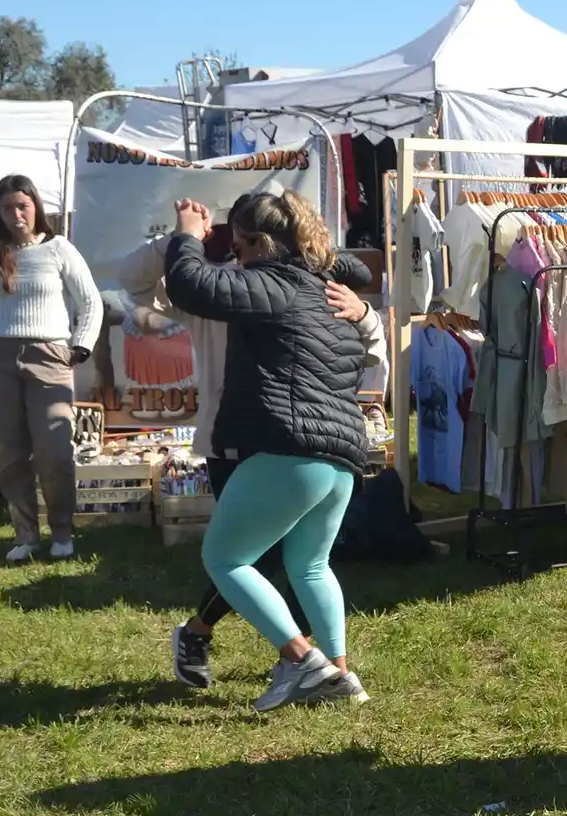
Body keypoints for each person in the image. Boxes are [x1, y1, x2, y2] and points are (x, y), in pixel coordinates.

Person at [115, 193, 386, 690]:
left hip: (277, 442)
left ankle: (302, 661)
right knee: (304, 563)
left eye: (242, 243)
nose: (236, 253)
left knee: (231, 558)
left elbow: (194, 284)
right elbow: (138, 278)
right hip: (331, 447)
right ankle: (338, 675)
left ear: (260, 242)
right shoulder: (306, 283)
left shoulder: (264, 283)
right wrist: (180, 239)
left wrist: (185, 236)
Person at [0, 175, 104, 562]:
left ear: (36, 207)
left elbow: (90, 301)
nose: (16, 215)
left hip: (50, 356)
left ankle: (62, 531)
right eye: (7, 208)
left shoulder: (59, 248)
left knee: (54, 451)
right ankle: (25, 535)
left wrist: (81, 345)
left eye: (22, 206)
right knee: (12, 454)